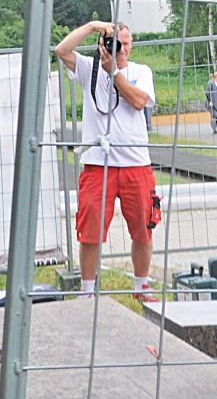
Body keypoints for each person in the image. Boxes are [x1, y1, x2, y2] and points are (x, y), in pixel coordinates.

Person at [54, 19, 159, 301]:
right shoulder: (89, 68)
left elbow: (139, 101)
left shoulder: (141, 71)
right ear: (102, 45)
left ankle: (141, 285)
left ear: (132, 44)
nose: (120, 49)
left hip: (136, 162)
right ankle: (88, 290)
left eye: (125, 43)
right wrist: (90, 27)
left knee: (143, 228)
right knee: (90, 231)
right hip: (97, 163)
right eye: (114, 43)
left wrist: (114, 74)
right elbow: (62, 50)